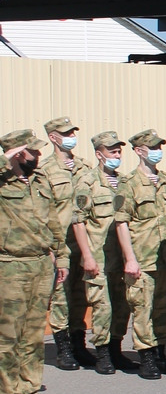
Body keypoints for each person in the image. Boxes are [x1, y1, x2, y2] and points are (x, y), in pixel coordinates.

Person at [1, 129, 69, 394]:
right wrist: (4, 162)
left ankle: (29, 392)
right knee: (8, 336)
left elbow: (53, 221)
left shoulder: (40, 180)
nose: (39, 156)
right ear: (17, 154)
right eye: (33, 151)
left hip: (41, 264)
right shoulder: (2, 182)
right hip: (10, 266)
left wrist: (62, 256)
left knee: (32, 334)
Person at [114, 129, 166, 378]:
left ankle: (160, 353)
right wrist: (130, 259)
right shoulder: (129, 184)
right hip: (141, 259)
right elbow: (121, 223)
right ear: (139, 151)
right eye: (152, 148)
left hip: (164, 257)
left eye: (159, 147)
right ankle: (146, 357)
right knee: (142, 308)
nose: (157, 152)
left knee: (163, 308)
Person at [40, 117, 95, 371]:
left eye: (73, 131)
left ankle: (79, 344)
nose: (71, 135)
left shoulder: (84, 167)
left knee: (81, 295)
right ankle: (63, 350)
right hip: (60, 243)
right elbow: (42, 212)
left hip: (84, 242)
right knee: (61, 297)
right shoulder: (45, 170)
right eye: (65, 132)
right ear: (53, 137)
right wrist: (51, 250)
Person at [71, 131, 128, 374]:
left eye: (118, 151)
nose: (116, 155)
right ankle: (103, 353)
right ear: (99, 154)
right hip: (100, 255)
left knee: (122, 304)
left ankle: (116, 349)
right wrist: (87, 255)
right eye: (111, 151)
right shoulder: (88, 183)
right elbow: (78, 221)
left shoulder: (125, 181)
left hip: (122, 257)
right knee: (102, 306)